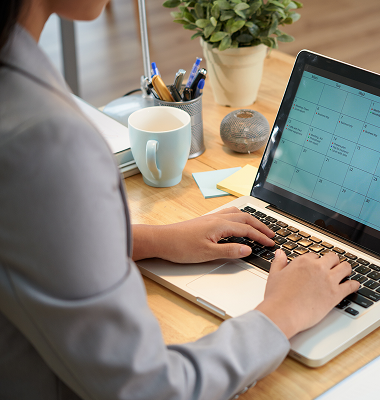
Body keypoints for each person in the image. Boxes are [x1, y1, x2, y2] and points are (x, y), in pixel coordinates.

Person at [0, 0, 359, 399]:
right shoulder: (46, 141)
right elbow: (152, 390)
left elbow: (28, 234)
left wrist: (155, 240)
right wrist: (282, 313)